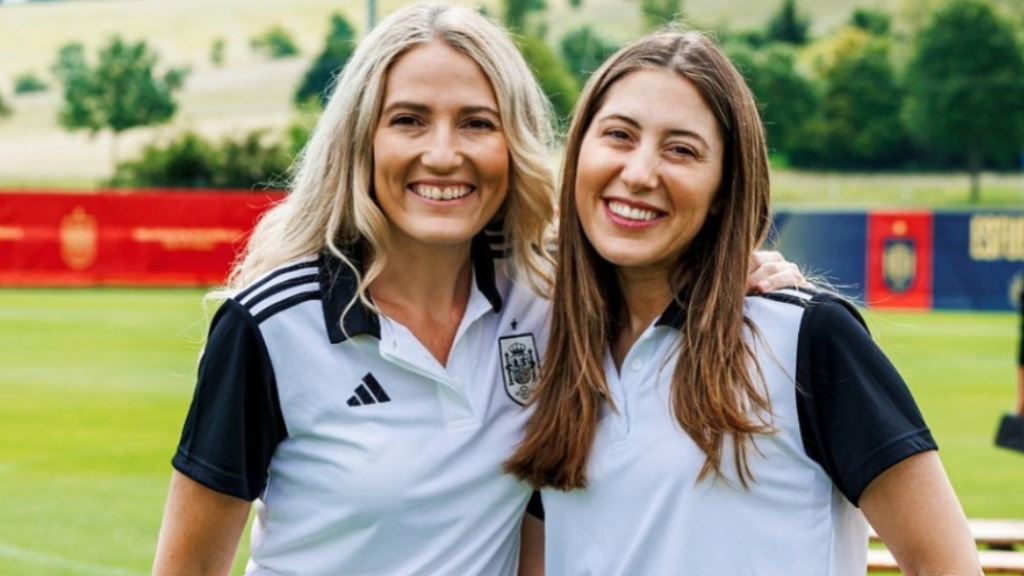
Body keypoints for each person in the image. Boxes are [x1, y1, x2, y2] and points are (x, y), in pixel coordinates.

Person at [151, 5, 805, 575]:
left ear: (513, 143)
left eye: (476, 123)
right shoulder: (267, 328)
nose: (443, 154)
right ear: (360, 141)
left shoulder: (552, 306)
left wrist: (754, 273)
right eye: (408, 120)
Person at [506, 28, 983, 576]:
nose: (638, 173)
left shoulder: (807, 340)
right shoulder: (549, 349)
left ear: (725, 190)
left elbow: (947, 566)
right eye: (618, 135)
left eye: (681, 150)